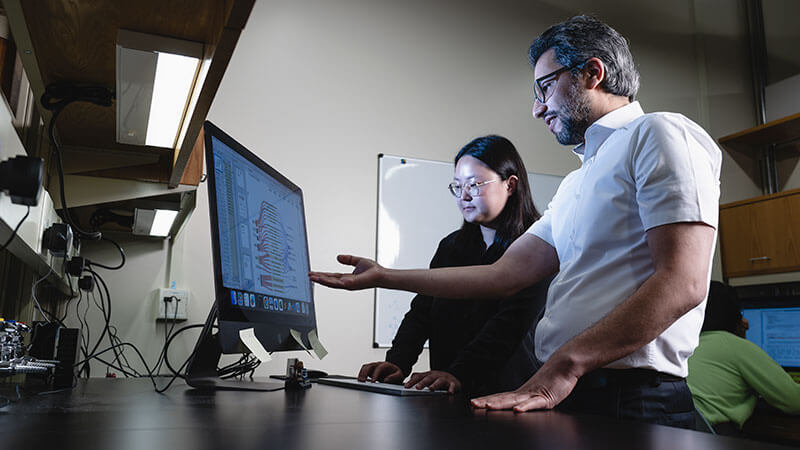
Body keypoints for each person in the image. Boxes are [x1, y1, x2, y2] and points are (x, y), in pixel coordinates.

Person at [310, 15, 721, 429]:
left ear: (593, 73)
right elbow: (503, 275)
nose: (537, 107)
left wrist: (564, 366)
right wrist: (384, 276)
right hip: (579, 394)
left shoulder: (660, 133)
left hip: (633, 399)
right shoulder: (578, 180)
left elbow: (682, 282)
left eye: (545, 86)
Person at [359, 135, 549, 396]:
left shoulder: (538, 245)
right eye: (457, 186)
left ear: (510, 185)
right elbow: (422, 310)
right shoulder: (451, 246)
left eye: (475, 184)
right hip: (447, 394)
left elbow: (511, 324)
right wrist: (398, 361)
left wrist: (460, 373)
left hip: (509, 396)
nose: (465, 196)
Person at [687, 281, 800, 434]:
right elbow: (794, 401)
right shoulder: (733, 346)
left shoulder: (687, 345)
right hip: (712, 438)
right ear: (734, 315)